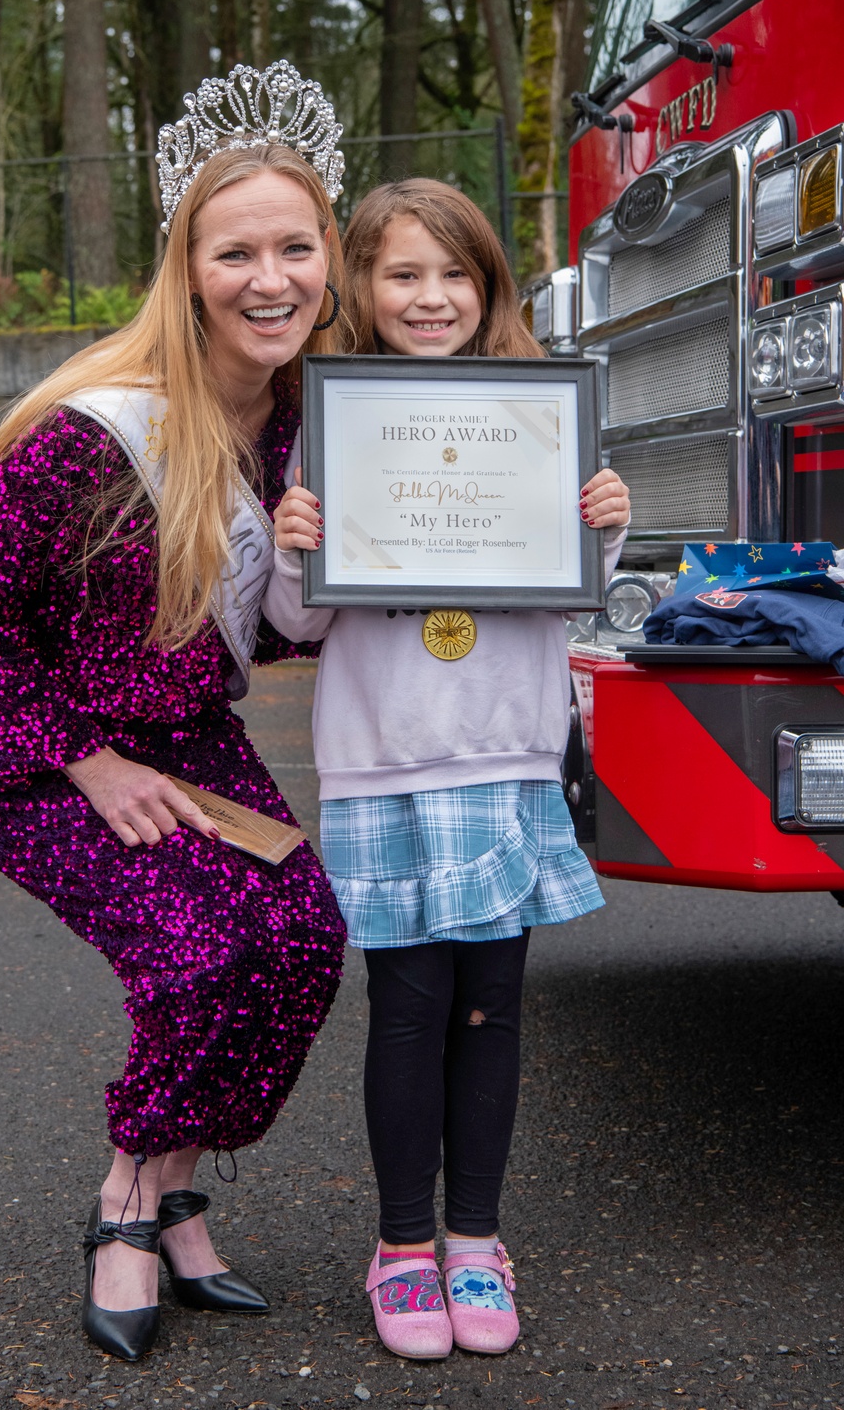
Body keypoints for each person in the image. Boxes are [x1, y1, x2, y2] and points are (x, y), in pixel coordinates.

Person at [0, 62, 350, 1363]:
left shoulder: (299, 425)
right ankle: (128, 1202)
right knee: (198, 957)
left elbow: (266, 624)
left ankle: (173, 1189)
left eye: (295, 247)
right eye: (236, 253)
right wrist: (87, 759)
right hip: (28, 745)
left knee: (301, 940)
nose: (269, 279)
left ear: (327, 256)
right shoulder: (99, 435)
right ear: (186, 269)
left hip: (183, 737)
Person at [263, 178, 631, 1360]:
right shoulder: (334, 424)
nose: (431, 298)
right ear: (361, 291)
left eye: (454, 274)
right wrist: (292, 551)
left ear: (491, 286)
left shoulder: (539, 415)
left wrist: (603, 524)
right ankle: (402, 1245)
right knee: (409, 1014)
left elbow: (577, 586)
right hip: (382, 762)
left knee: (494, 1009)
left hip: (509, 757)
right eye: (403, 275)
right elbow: (300, 625)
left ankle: (476, 1242)